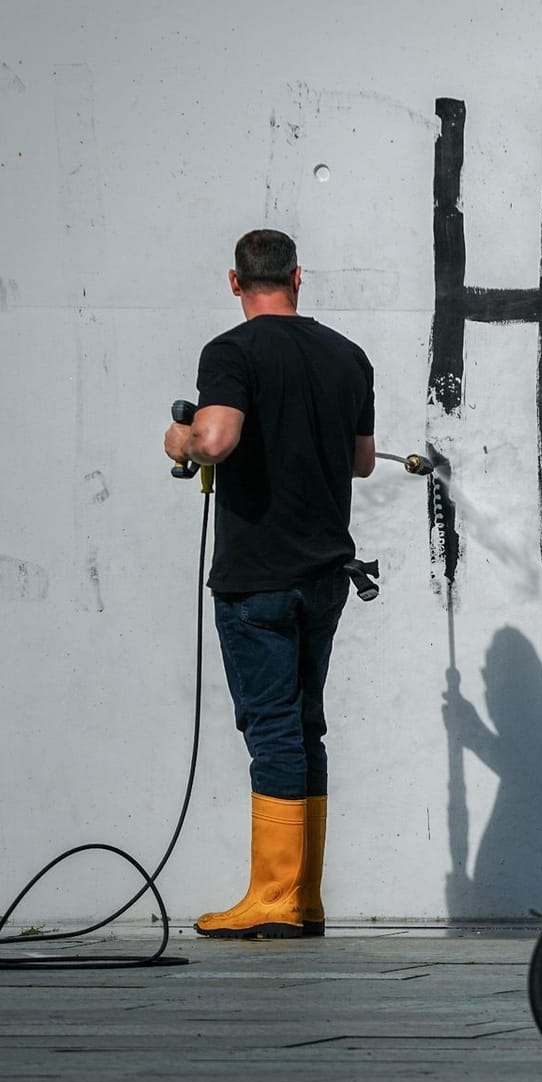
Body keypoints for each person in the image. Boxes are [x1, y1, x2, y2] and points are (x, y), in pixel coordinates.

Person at [163, 229, 375, 939]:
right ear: (297, 277)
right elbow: (363, 461)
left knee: (273, 729)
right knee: (305, 727)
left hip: (258, 577)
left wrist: (182, 441)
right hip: (325, 575)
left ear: (235, 282)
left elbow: (217, 439)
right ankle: (303, 898)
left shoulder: (232, 351)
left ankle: (275, 900)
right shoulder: (348, 355)